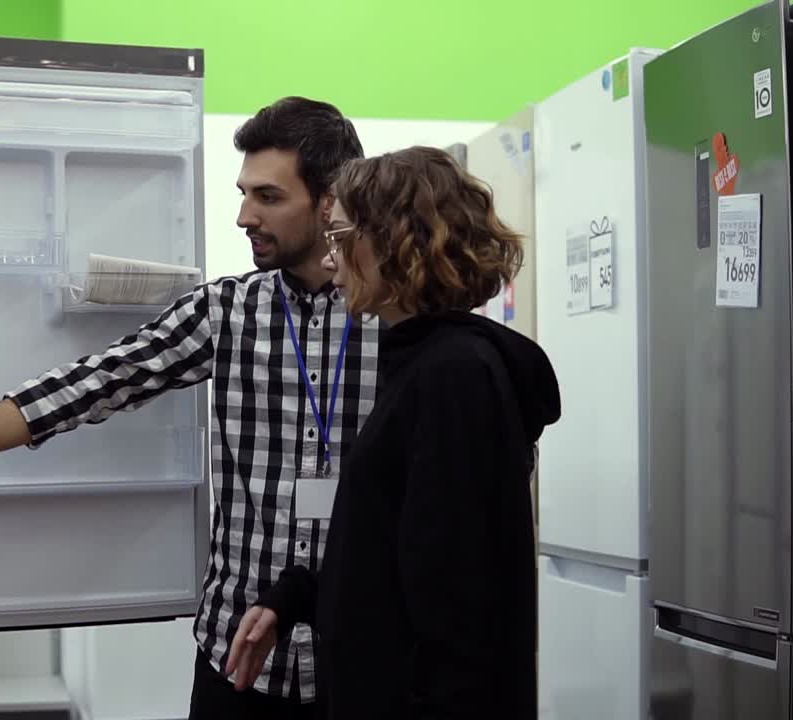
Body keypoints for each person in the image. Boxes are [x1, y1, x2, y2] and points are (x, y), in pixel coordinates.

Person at [0, 96, 376, 719]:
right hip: (235, 661)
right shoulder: (227, 311)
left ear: (329, 200)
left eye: (268, 197)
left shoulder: (393, 319)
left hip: (367, 659)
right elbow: (87, 385)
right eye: (244, 194)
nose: (243, 216)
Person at [226, 146, 561, 719]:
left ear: (394, 239)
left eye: (338, 238)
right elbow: (398, 550)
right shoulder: (422, 363)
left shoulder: (453, 376)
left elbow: (457, 607)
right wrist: (300, 595)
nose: (330, 264)